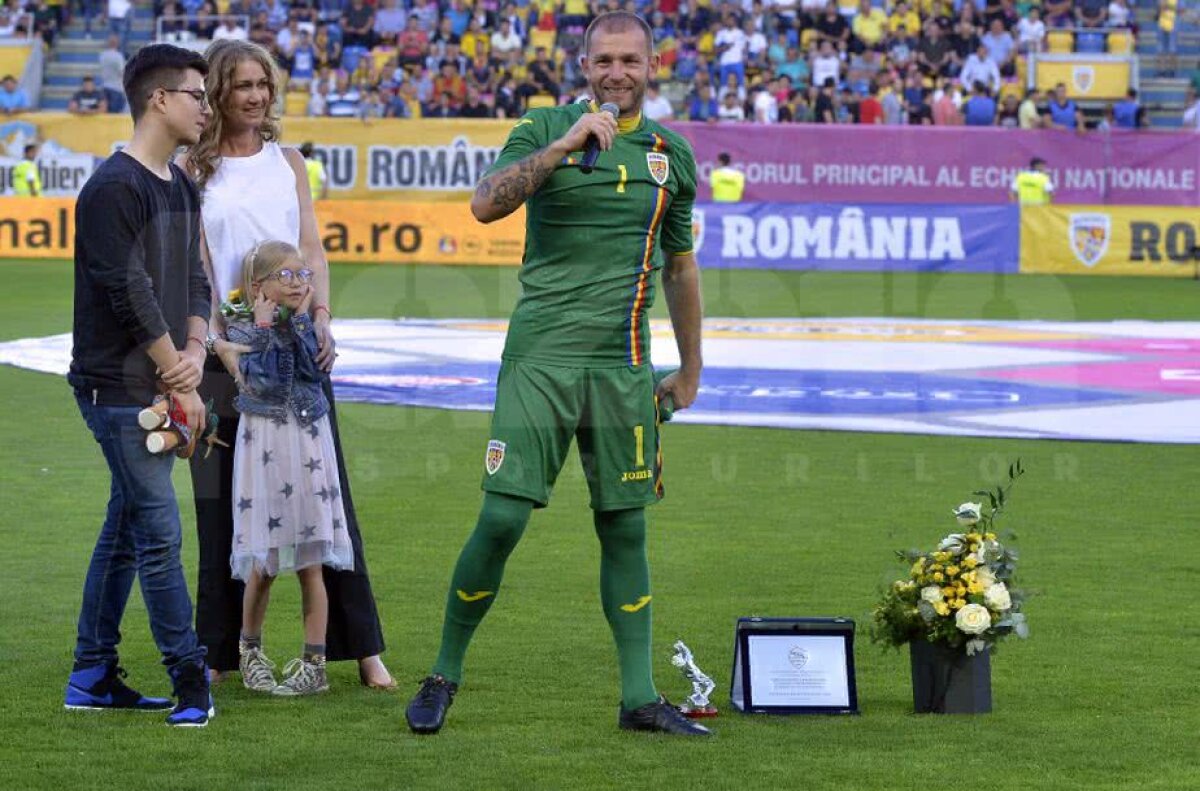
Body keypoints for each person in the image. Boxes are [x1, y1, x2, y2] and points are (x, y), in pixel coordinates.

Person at [403, 10, 709, 739]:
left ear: (652, 65)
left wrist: (691, 369)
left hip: (623, 367)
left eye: (630, 60)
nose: (617, 73)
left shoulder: (671, 154)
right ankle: (443, 674)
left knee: (624, 528)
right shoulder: (544, 128)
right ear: (584, 66)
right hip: (539, 359)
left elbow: (679, 267)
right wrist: (565, 145)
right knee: (501, 518)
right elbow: (485, 203)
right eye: (604, 60)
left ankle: (639, 697)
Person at [183, 39, 395, 691]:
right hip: (225, 354)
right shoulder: (194, 167)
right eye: (241, 85)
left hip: (299, 353)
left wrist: (322, 315)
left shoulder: (290, 162)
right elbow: (199, 264)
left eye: (263, 85)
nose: (255, 97)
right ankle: (218, 654)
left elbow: (311, 247)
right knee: (219, 503)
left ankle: (361, 650)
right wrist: (220, 340)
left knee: (325, 499)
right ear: (217, 93)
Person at [65, 43, 215, 728]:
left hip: (157, 381)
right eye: (196, 96)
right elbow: (126, 290)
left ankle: (91, 673)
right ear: (159, 99)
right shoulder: (112, 189)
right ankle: (190, 678)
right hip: (116, 389)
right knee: (158, 533)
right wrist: (178, 373)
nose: (206, 108)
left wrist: (193, 351)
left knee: (126, 529)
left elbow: (194, 280)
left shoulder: (179, 183)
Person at [226, 240, 354, 696]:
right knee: (263, 561)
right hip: (265, 445)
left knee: (310, 562)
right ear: (258, 286)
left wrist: (304, 321)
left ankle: (314, 664)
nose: (298, 283)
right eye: (286, 276)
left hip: (307, 443)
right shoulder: (242, 327)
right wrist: (263, 329)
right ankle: (250, 653)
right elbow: (259, 379)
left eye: (303, 275)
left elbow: (314, 371)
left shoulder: (310, 325)